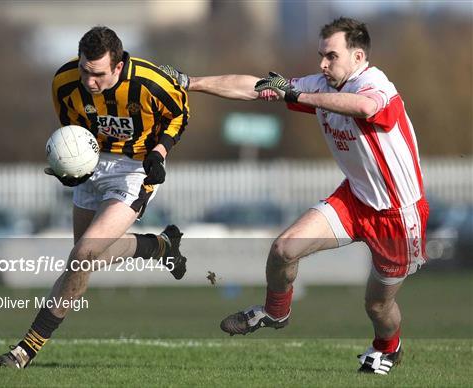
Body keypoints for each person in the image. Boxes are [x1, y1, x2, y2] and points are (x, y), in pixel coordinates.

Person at [161, 17, 429, 375]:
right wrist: (189, 82)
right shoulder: (321, 84)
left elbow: (365, 108)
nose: (322, 64)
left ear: (358, 56)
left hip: (398, 215)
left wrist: (298, 94)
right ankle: (275, 312)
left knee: (378, 306)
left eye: (331, 56)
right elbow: (255, 87)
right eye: (321, 55)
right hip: (354, 199)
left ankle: (387, 347)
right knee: (284, 249)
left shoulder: (376, 84)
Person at [0, 26, 189, 368]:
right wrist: (71, 167)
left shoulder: (151, 82)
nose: (89, 81)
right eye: (84, 70)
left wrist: (159, 152)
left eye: (98, 74)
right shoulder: (64, 82)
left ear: (118, 66)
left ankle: (25, 350)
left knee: (83, 255)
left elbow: (180, 115)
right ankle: (160, 246)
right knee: (87, 257)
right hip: (94, 160)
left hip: (134, 169)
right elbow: (73, 132)